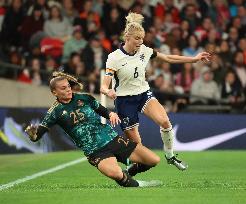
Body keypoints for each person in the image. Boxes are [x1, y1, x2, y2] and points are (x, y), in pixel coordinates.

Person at [100, 12, 211, 171]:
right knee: (140, 148)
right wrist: (108, 92)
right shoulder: (114, 57)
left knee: (165, 122)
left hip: (143, 94)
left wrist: (194, 59)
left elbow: (168, 58)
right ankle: (130, 171)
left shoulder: (144, 50)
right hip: (124, 101)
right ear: (127, 38)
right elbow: (103, 86)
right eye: (137, 38)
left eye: (142, 38)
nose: (140, 41)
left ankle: (170, 155)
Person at [25, 73, 161, 188]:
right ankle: (139, 185)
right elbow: (37, 136)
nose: (68, 90)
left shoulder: (84, 98)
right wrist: (33, 135)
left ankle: (130, 171)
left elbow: (102, 110)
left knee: (154, 160)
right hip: (95, 151)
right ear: (54, 92)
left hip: (112, 139)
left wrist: (111, 114)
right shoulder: (54, 112)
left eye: (68, 86)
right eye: (63, 88)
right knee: (116, 174)